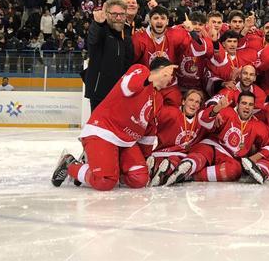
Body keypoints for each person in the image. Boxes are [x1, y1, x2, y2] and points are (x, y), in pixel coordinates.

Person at [52, 58, 177, 191]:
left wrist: (145, 157)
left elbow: (149, 128)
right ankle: (70, 165)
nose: (171, 79)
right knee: (104, 181)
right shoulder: (140, 70)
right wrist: (155, 77)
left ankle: (102, 168)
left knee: (139, 179)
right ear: (162, 70)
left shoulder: (158, 98)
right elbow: (128, 88)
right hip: (104, 132)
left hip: (126, 142)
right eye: (170, 73)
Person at [164, 91, 269, 185]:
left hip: (230, 158)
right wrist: (216, 110)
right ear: (238, 104)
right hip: (212, 147)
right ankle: (188, 165)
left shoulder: (259, 126)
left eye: (250, 104)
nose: (247, 107)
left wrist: (255, 157)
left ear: (253, 107)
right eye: (244, 103)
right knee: (203, 152)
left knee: (235, 171)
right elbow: (202, 119)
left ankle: (188, 176)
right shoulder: (227, 112)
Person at [84, 0, 134, 112]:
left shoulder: (126, 33)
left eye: (121, 14)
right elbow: (93, 41)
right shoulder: (101, 29)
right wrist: (98, 24)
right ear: (107, 14)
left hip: (119, 93)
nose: (118, 17)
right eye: (114, 14)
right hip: (99, 94)